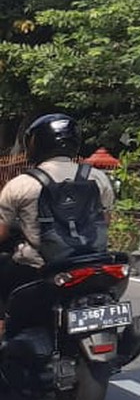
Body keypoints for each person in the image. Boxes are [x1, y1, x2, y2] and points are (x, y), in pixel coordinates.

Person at [0, 114, 116, 303]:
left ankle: (4, 325)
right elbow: (105, 221)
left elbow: (2, 232)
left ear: (36, 144)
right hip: (91, 264)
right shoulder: (98, 177)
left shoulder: (21, 184)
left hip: (38, 269)